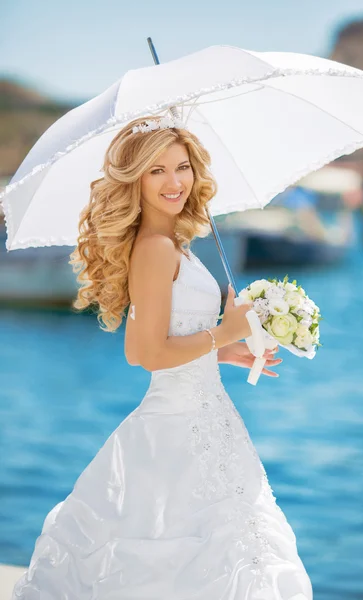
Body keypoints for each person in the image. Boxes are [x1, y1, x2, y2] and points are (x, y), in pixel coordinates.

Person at [11, 115, 313, 599]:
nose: (174, 182)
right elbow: (143, 353)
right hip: (176, 426)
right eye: (156, 171)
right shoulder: (154, 248)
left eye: (182, 167)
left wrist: (225, 351)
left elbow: (171, 339)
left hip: (207, 416)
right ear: (135, 179)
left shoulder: (176, 245)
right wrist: (222, 331)